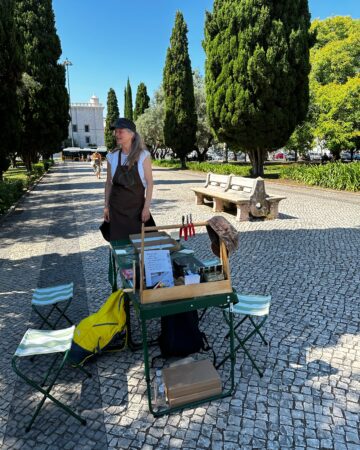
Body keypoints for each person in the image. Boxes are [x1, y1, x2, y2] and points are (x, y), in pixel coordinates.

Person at [104, 118, 154, 240]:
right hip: (116, 212)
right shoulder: (112, 157)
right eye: (116, 131)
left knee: (139, 245)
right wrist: (106, 206)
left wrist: (146, 208)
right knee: (118, 245)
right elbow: (109, 183)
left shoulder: (143, 156)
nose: (116, 134)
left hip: (137, 212)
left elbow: (150, 183)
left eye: (120, 131)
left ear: (131, 134)